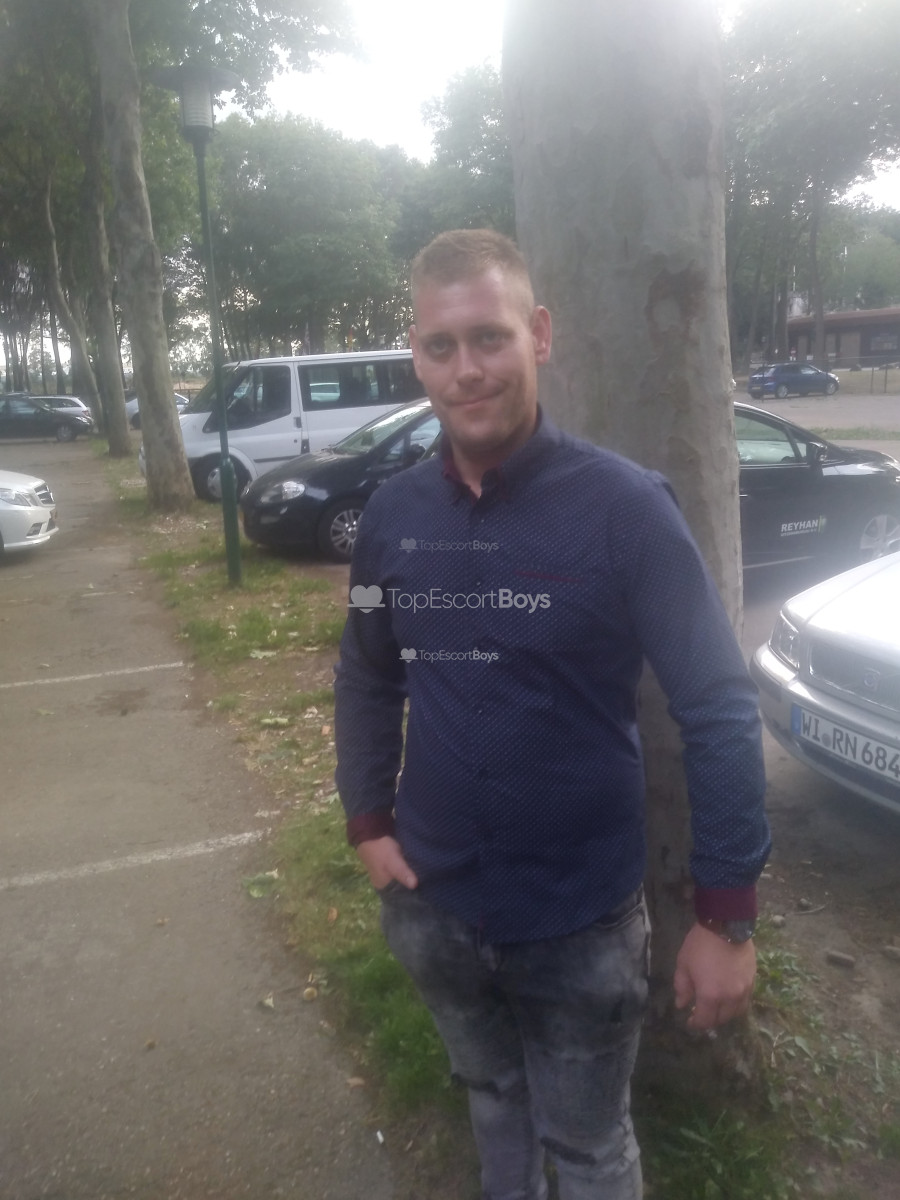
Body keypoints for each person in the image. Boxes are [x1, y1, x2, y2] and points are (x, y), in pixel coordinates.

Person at [334, 229, 770, 1200]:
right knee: (492, 1101)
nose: (466, 369)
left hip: (580, 922)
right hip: (433, 904)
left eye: (488, 337)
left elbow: (717, 705)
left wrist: (727, 915)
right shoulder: (390, 520)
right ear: (417, 357)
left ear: (538, 334)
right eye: (441, 347)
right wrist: (366, 819)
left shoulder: (627, 511)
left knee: (589, 1148)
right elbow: (366, 670)